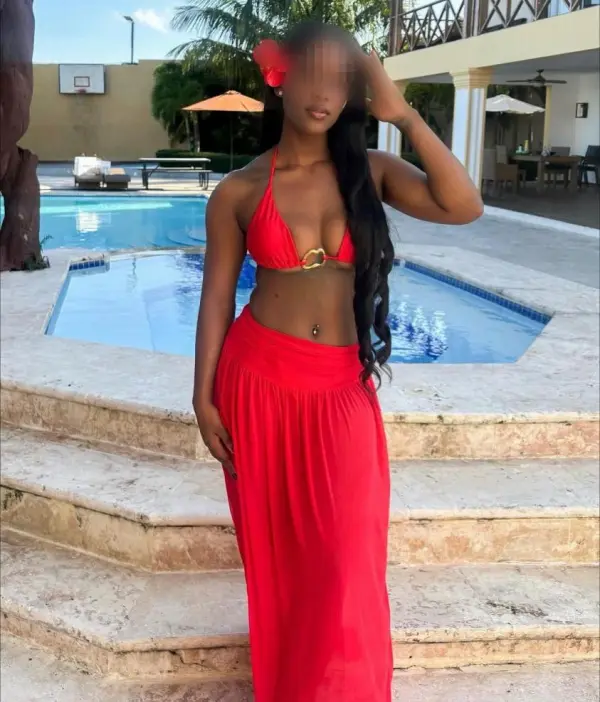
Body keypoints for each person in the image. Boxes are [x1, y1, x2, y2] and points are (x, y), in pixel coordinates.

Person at [193, 21, 483, 702]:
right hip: (258, 383)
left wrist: (401, 113)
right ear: (280, 77)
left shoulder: (371, 172)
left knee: (348, 563)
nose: (324, 94)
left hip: (340, 387)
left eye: (340, 79)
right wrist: (202, 397)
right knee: (283, 567)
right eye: (312, 75)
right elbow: (215, 299)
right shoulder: (239, 190)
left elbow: (464, 204)